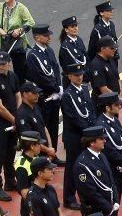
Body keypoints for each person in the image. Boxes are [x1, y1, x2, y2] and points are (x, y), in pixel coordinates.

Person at [74, 126, 121, 216]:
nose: (104, 141)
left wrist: (115, 199)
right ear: (92, 142)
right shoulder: (82, 164)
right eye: (101, 139)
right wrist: (108, 206)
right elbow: (89, 192)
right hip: (94, 208)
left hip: (106, 204)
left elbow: (111, 180)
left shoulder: (101, 155)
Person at [0, 51, 21, 201]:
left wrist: (18, 115)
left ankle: (10, 181)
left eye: (3, 64)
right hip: (1, 123)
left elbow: (18, 95)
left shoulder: (12, 76)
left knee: (11, 151)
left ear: (9, 63)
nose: (1, 66)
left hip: (14, 119)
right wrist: (15, 120)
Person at [61, 63, 96, 209]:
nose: (79, 77)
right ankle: (69, 198)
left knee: (86, 165)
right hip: (74, 136)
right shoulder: (68, 95)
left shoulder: (84, 90)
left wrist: (93, 128)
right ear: (69, 76)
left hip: (86, 134)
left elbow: (90, 110)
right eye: (76, 75)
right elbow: (74, 117)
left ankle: (85, 194)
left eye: (80, 75)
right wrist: (89, 131)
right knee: (72, 166)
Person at [25, 24, 63, 154]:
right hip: (44, 97)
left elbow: (56, 69)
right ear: (37, 37)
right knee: (44, 128)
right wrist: (55, 87)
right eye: (46, 35)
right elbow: (39, 77)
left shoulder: (49, 50)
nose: (49, 37)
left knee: (54, 126)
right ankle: (45, 155)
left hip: (54, 96)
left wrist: (59, 86)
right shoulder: (33, 56)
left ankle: (54, 153)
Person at [0, 0, 34, 80]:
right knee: (1, 69)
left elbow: (30, 22)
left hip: (16, 43)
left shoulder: (21, 8)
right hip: (2, 43)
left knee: (20, 72)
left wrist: (19, 30)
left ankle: (20, 91)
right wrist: (1, 32)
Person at [14, 131, 42, 216]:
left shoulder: (34, 159)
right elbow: (24, 191)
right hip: (29, 207)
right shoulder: (22, 165)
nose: (40, 147)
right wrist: (34, 207)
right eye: (38, 144)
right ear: (32, 146)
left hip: (37, 203)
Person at [15, 81, 56, 159]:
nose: (37, 95)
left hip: (45, 152)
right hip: (34, 156)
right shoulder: (22, 115)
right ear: (25, 94)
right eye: (34, 93)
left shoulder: (36, 107)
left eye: (37, 92)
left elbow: (44, 128)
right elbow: (30, 141)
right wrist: (48, 150)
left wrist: (50, 147)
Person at [88, 36, 121, 109]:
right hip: (104, 105)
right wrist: (117, 99)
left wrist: (120, 95)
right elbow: (103, 89)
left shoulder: (111, 59)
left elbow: (118, 78)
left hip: (114, 102)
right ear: (102, 49)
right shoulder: (96, 65)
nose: (115, 50)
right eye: (111, 48)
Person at [58, 16, 89, 86]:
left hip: (82, 78)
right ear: (66, 30)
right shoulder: (65, 46)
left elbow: (86, 57)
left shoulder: (79, 40)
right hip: (72, 82)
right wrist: (83, 77)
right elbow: (70, 66)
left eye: (76, 26)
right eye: (72, 26)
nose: (75, 28)